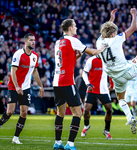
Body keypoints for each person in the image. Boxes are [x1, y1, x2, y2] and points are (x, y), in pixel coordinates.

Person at [96, 8, 137, 134]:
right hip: (129, 71)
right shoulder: (117, 38)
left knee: (121, 99)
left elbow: (103, 33)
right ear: (112, 34)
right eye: (114, 32)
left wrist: (111, 20)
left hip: (116, 78)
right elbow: (133, 27)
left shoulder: (99, 42)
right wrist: (134, 14)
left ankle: (129, 117)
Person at [52, 19, 107, 150]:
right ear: (70, 28)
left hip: (56, 81)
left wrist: (78, 55)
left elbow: (67, 59)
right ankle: (70, 144)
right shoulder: (73, 40)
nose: (76, 28)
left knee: (60, 113)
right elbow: (93, 52)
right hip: (67, 81)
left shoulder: (58, 42)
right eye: (75, 26)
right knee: (77, 112)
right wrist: (102, 48)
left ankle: (57, 143)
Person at [0, 33, 45, 144]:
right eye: (31, 40)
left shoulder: (35, 56)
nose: (33, 42)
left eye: (34, 40)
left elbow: (35, 72)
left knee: (24, 112)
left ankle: (16, 138)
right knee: (10, 111)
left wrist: (40, 86)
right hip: (13, 86)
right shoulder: (18, 54)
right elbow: (13, 72)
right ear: (25, 42)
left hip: (26, 87)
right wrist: (16, 87)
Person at [81, 55, 113, 139]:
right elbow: (84, 72)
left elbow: (111, 73)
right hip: (92, 88)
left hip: (103, 89)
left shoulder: (107, 60)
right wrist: (88, 84)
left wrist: (111, 85)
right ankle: (86, 125)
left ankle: (107, 130)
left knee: (109, 109)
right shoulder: (91, 60)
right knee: (86, 109)